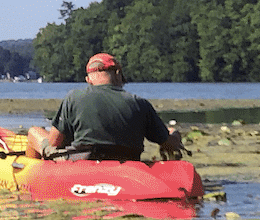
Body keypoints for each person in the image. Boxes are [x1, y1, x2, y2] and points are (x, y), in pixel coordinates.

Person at [25, 53, 184, 161]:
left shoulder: (74, 97)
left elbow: (53, 143)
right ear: (117, 73)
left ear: (88, 79)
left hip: (83, 164)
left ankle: (32, 174)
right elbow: (168, 144)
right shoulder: (140, 103)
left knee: (33, 132)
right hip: (128, 163)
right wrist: (175, 134)